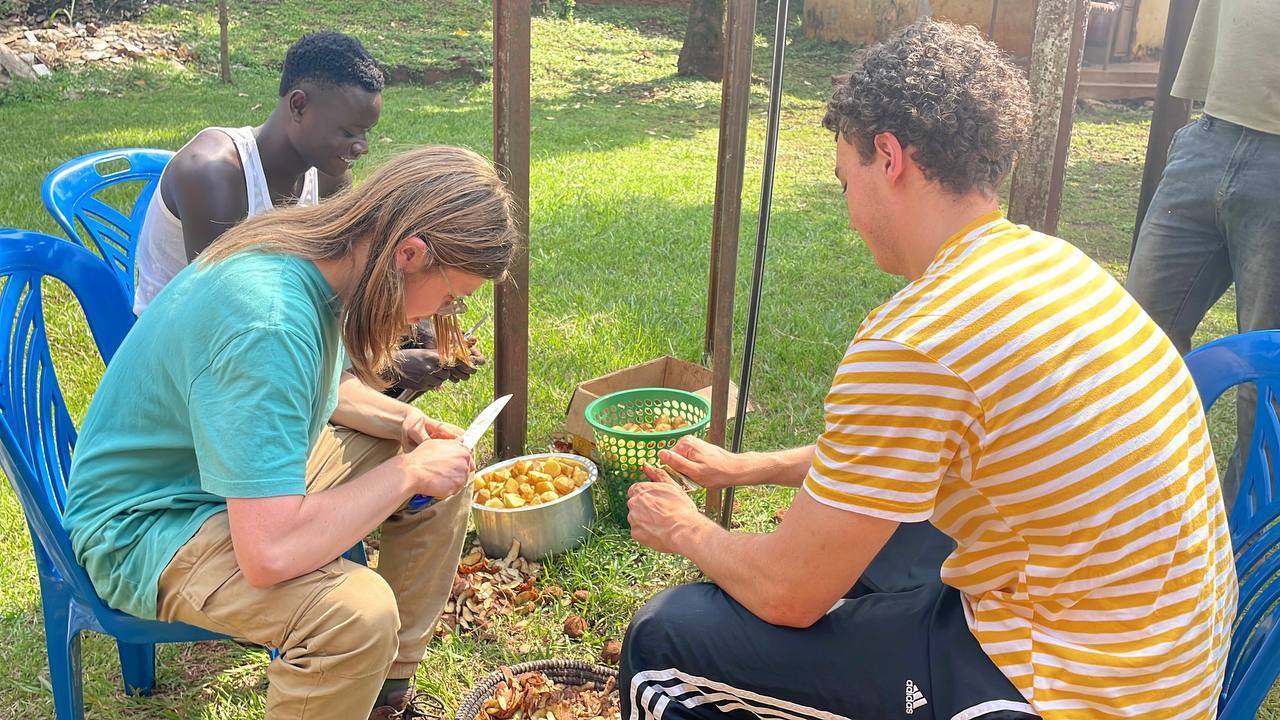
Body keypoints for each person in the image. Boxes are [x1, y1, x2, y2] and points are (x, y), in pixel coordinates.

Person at [621, 20, 1236, 720]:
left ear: (889, 158)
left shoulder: (918, 339)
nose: (848, 210)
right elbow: (910, 453)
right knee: (896, 539)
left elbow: (788, 595)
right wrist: (751, 466)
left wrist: (685, 530)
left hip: (1079, 695)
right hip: (1164, 660)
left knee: (665, 641)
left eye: (843, 179)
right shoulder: (1052, 264)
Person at [64, 145, 519, 720]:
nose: (439, 318)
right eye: (450, 297)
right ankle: (356, 666)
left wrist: (404, 424)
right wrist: (406, 473)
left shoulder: (322, 256)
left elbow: (322, 391)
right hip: (148, 523)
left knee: (439, 473)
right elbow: (269, 553)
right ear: (410, 253)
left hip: (219, 478)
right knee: (355, 614)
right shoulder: (270, 320)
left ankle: (383, 694)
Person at [132, 30, 477, 397]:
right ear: (298, 106)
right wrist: (374, 364)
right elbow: (226, 315)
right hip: (190, 356)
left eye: (366, 133)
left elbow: (354, 270)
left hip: (269, 329)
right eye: (348, 132)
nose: (361, 148)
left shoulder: (328, 173)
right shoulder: (213, 173)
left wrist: (414, 326)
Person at [1125, 0, 1279, 508]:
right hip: (1210, 133)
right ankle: (1132, 513)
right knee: (1132, 345)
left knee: (1267, 384)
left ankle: (1233, 553)